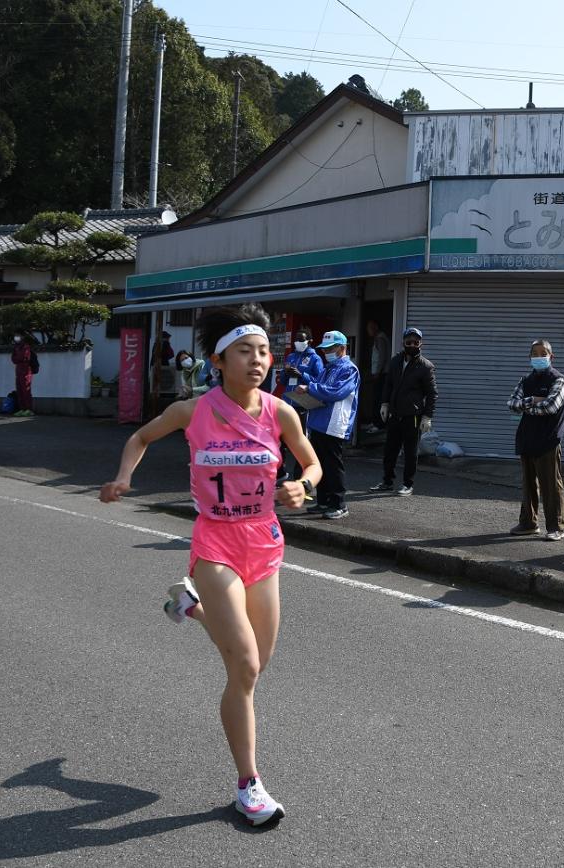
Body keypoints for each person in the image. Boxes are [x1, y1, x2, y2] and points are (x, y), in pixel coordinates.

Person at [99, 303, 321, 827]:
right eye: (245, 351)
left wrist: (303, 486)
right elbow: (140, 436)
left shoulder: (279, 412)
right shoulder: (192, 410)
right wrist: (124, 475)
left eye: (264, 351)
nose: (258, 360)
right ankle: (249, 785)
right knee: (242, 665)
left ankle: (188, 607)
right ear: (219, 359)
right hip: (214, 543)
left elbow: (311, 462)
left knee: (256, 669)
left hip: (264, 542)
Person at [507, 339, 564, 541]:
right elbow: (512, 404)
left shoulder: (558, 379)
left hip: (548, 440)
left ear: (552, 356)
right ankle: (528, 523)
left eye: (544, 353)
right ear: (530, 357)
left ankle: (556, 527)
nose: (539, 356)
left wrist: (526, 405)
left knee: (551, 485)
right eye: (535, 353)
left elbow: (551, 407)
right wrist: (533, 400)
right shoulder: (526, 380)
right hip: (527, 437)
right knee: (528, 484)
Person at [371, 327, 437, 496]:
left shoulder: (426, 366)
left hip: (413, 416)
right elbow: (389, 385)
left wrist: (427, 416)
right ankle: (387, 481)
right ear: (403, 343)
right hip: (395, 413)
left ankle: (408, 484)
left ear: (421, 343)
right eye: (409, 342)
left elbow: (432, 394)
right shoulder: (395, 361)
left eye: (416, 342)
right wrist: (384, 404)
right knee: (390, 450)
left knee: (410, 452)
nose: (412, 345)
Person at [303, 330, 360, 519]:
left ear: (342, 348)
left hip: (334, 424)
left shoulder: (349, 368)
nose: (326, 352)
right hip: (319, 421)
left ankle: (339, 504)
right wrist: (306, 384)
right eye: (324, 349)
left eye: (330, 348)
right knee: (320, 464)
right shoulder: (328, 367)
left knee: (333, 465)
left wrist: (310, 387)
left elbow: (336, 392)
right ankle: (323, 501)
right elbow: (320, 388)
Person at [278, 328, 325, 480]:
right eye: (296, 340)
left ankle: (299, 476)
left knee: (300, 441)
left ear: (309, 341)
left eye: (301, 340)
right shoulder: (291, 356)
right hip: (287, 402)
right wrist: (286, 373)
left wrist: (301, 375)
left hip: (302, 404)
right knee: (279, 439)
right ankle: (280, 473)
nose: (298, 342)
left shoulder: (315, 358)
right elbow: (283, 382)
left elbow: (319, 381)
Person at [364, 320, 391, 432]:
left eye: (369, 328)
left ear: (375, 327)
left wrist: (378, 372)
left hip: (382, 374)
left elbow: (382, 357)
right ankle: (375, 422)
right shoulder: (379, 338)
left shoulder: (380, 338)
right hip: (379, 373)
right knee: (376, 398)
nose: (368, 331)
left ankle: (379, 424)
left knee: (379, 398)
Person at [11, 331, 37, 417]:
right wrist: (18, 358)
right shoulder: (16, 347)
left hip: (26, 371)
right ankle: (22, 409)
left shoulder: (26, 347)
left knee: (26, 390)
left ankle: (28, 409)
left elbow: (24, 358)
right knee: (19, 390)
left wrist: (18, 358)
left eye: (18, 336)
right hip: (18, 370)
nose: (16, 338)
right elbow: (13, 359)